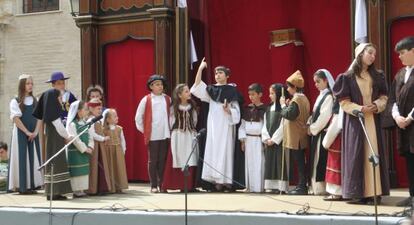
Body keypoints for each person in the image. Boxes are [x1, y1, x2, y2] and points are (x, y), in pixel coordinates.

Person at [333, 43, 389, 204]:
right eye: (370, 53)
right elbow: (344, 102)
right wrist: (359, 109)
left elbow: (385, 97)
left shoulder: (378, 75)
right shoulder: (347, 77)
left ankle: (374, 192)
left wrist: (377, 105)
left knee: (373, 153)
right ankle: (359, 193)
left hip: (373, 120)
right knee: (357, 155)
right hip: (356, 122)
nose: (373, 56)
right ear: (360, 54)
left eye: (374, 54)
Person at [190, 57, 242, 192]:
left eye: (220, 73)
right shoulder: (212, 90)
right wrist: (200, 68)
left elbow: (237, 110)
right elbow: (196, 86)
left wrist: (229, 110)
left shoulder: (232, 90)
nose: (217, 75)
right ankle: (216, 181)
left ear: (227, 76)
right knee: (214, 150)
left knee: (225, 151)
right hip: (213, 125)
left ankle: (226, 181)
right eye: (216, 73)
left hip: (226, 125)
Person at [33, 88, 73, 200]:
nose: (61, 100)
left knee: (53, 163)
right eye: (59, 98)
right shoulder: (53, 113)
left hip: (53, 141)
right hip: (56, 142)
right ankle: (56, 192)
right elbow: (60, 127)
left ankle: (54, 191)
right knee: (58, 163)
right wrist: (67, 136)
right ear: (53, 100)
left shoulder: (49, 113)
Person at [388, 36, 414, 207]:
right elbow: (392, 99)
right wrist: (397, 117)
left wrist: (411, 117)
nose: (399, 57)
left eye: (403, 53)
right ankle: (413, 196)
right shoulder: (400, 74)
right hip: (404, 126)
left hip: (412, 122)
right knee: (410, 160)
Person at [135, 74, 171, 193]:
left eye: (161, 84)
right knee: (153, 160)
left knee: (163, 160)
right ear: (151, 87)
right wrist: (145, 131)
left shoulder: (167, 99)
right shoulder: (146, 99)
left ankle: (162, 184)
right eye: (156, 84)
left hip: (165, 134)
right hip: (153, 135)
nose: (160, 86)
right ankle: (153, 185)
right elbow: (138, 117)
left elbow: (172, 116)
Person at [8, 74, 43, 194]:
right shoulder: (15, 101)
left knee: (33, 159)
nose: (30, 86)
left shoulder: (35, 101)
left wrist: (35, 132)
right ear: (22, 85)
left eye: (32, 83)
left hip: (33, 134)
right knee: (22, 157)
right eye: (28, 83)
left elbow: (39, 117)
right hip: (21, 134)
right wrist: (27, 132)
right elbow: (16, 119)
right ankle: (22, 186)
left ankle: (32, 185)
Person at [162, 84, 198, 192]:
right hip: (178, 135)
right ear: (179, 95)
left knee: (190, 158)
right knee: (178, 157)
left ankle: (188, 186)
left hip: (190, 135)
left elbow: (194, 121)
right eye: (186, 91)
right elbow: (171, 122)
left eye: (188, 91)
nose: (189, 93)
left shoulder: (192, 107)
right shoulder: (174, 108)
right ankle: (175, 184)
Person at [280, 70, 311, 195]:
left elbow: (289, 115)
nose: (287, 89)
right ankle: (302, 185)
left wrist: (283, 105)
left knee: (299, 163)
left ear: (295, 87)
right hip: (300, 134)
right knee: (300, 162)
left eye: (289, 86)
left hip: (296, 136)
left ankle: (301, 186)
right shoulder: (303, 99)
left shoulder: (297, 99)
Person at [308, 69, 335, 195]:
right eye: (315, 82)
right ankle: (315, 187)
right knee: (316, 160)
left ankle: (321, 188)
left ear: (325, 81)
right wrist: (309, 123)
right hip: (317, 133)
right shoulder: (321, 95)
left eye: (318, 81)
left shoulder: (328, 96)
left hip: (322, 133)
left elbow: (325, 117)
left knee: (321, 160)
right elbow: (315, 114)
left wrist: (312, 128)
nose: (316, 84)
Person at [261, 83, 289, 193]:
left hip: (278, 142)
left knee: (279, 163)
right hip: (269, 141)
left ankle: (281, 186)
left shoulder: (283, 109)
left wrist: (274, 139)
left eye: (272, 93)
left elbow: (284, 125)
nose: (270, 96)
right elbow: (265, 125)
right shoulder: (268, 109)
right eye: (270, 93)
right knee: (270, 163)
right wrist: (267, 138)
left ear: (278, 95)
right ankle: (270, 185)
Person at [239, 83, 266, 193]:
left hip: (259, 140)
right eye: (249, 95)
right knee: (249, 164)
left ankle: (259, 187)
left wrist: (264, 139)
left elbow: (265, 126)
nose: (251, 97)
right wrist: (242, 140)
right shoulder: (247, 109)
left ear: (260, 94)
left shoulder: (264, 109)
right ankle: (250, 186)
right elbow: (242, 126)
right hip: (248, 140)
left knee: (259, 163)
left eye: (253, 94)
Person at [66, 101, 94, 198]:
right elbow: (75, 139)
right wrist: (84, 149)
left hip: (85, 151)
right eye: (85, 109)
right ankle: (76, 190)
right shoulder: (72, 124)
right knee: (77, 170)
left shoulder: (86, 123)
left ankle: (81, 189)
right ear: (78, 111)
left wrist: (90, 146)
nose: (87, 111)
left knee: (83, 170)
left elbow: (90, 136)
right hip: (76, 152)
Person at [87, 98, 111, 195]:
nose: (100, 111)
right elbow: (91, 134)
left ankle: (101, 188)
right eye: (98, 109)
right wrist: (103, 138)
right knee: (95, 166)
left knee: (101, 166)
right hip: (95, 146)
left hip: (100, 147)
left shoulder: (99, 120)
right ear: (91, 109)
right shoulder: (90, 120)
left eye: (101, 109)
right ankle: (93, 188)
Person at [103, 109, 129, 193]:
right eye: (114, 116)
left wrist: (123, 150)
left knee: (118, 168)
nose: (117, 117)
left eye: (116, 116)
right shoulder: (104, 129)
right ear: (107, 119)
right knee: (110, 167)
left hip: (118, 151)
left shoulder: (119, 129)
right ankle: (111, 187)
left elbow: (123, 140)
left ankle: (119, 186)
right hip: (108, 151)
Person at [322, 101, 344, 201]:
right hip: (341, 141)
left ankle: (336, 192)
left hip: (336, 142)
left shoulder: (338, 115)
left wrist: (325, 143)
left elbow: (334, 129)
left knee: (335, 165)